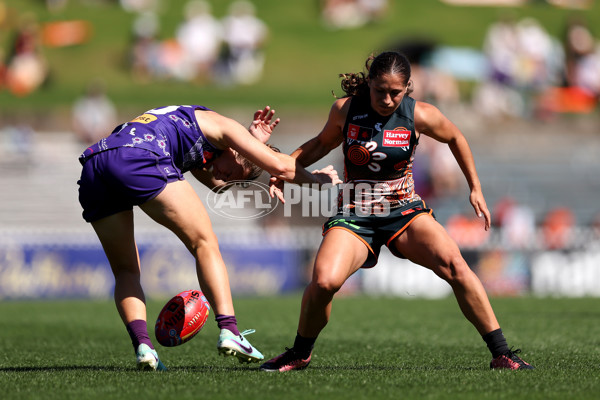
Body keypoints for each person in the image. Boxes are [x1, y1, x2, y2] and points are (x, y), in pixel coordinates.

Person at [260, 52, 534, 372]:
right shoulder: (346, 110)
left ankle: (502, 353)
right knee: (323, 282)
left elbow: (456, 137)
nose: (387, 100)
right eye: (380, 91)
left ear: (407, 88)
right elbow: (320, 144)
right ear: (369, 84)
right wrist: (283, 168)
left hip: (404, 212)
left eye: (396, 92)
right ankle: (299, 353)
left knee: (455, 265)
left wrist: (475, 187)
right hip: (355, 213)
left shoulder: (420, 115)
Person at [77, 104, 341, 371]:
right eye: (234, 175)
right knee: (204, 243)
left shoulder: (205, 150)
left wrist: (248, 142)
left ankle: (144, 348)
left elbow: (216, 187)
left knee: (126, 270)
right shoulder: (223, 126)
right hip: (140, 154)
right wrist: (317, 181)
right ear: (237, 152)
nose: (225, 179)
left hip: (97, 164)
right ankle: (230, 331)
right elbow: (280, 166)